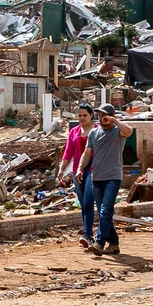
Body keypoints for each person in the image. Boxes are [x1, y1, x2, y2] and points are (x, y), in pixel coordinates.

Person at [79, 103, 133, 255]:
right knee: (104, 212)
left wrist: (115, 121)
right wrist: (79, 169)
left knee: (105, 210)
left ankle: (99, 242)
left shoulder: (118, 132)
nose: (103, 118)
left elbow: (129, 131)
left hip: (113, 177)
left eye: (106, 115)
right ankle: (114, 243)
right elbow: (87, 153)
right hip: (97, 177)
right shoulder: (94, 133)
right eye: (101, 115)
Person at [57, 103, 97, 249]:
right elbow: (68, 152)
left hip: (93, 169)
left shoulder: (98, 131)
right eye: (79, 115)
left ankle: (88, 235)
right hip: (77, 170)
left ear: (91, 115)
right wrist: (61, 170)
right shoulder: (74, 131)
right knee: (82, 203)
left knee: (88, 201)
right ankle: (89, 234)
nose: (82, 118)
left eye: (84, 115)